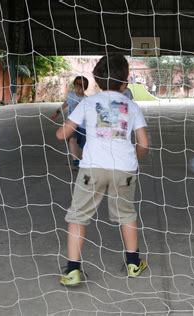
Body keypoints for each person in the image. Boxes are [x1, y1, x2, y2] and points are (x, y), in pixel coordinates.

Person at [56, 54, 149, 286]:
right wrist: (133, 161)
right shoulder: (132, 106)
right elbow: (144, 144)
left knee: (78, 217)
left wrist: (68, 126)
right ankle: (134, 264)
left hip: (92, 169)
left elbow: (61, 135)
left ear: (96, 81)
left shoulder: (87, 103)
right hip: (124, 169)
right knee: (127, 215)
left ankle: (73, 270)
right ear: (125, 82)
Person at [51, 76, 89, 168]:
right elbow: (66, 103)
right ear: (74, 85)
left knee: (84, 145)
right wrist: (57, 112)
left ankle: (86, 160)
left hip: (83, 126)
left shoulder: (86, 99)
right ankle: (75, 160)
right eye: (77, 85)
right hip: (71, 124)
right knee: (72, 140)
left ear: (85, 87)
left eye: (82, 86)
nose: (79, 88)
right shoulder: (71, 95)